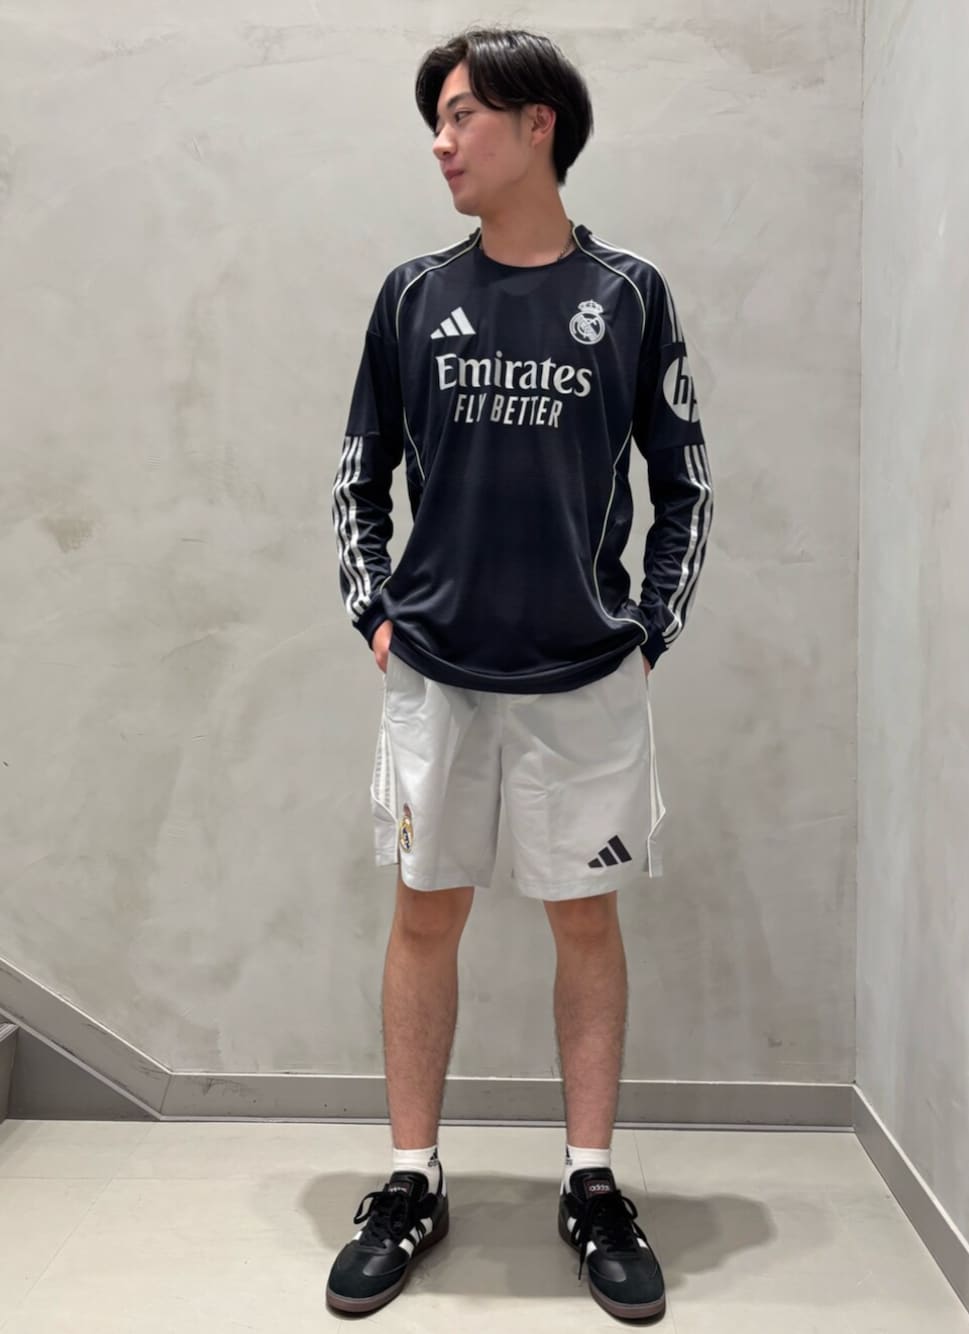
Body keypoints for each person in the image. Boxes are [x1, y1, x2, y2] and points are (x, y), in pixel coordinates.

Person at [327, 25, 712, 1321]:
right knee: (422, 915)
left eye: (459, 115)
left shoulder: (631, 294)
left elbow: (687, 483)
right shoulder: (411, 296)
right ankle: (410, 1178)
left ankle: (590, 1182)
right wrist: (375, 613)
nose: (440, 142)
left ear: (537, 122)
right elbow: (357, 472)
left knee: (584, 921)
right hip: (436, 675)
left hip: (584, 682)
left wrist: (646, 630)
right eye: (434, 121)